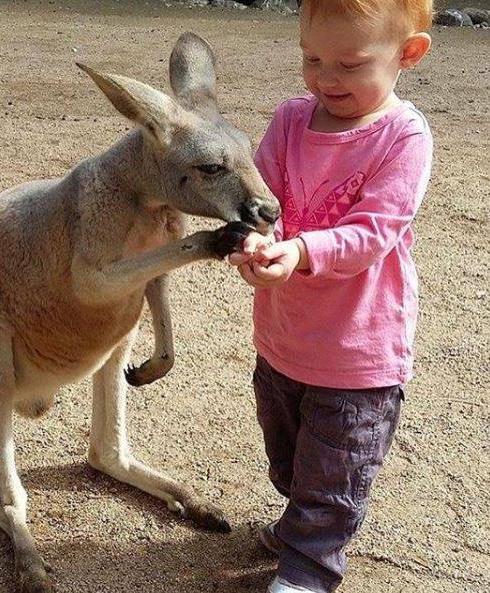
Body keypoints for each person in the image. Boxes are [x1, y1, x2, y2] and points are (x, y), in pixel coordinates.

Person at [228, 2, 434, 592]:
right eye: (312, 58)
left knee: (334, 470)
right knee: (290, 461)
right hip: (284, 339)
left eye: (349, 63)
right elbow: (259, 197)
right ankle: (301, 519)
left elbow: (374, 232)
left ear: (408, 54)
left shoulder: (403, 136)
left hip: (357, 353)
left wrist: (298, 252)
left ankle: (309, 565)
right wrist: (258, 243)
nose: (326, 78)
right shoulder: (292, 120)